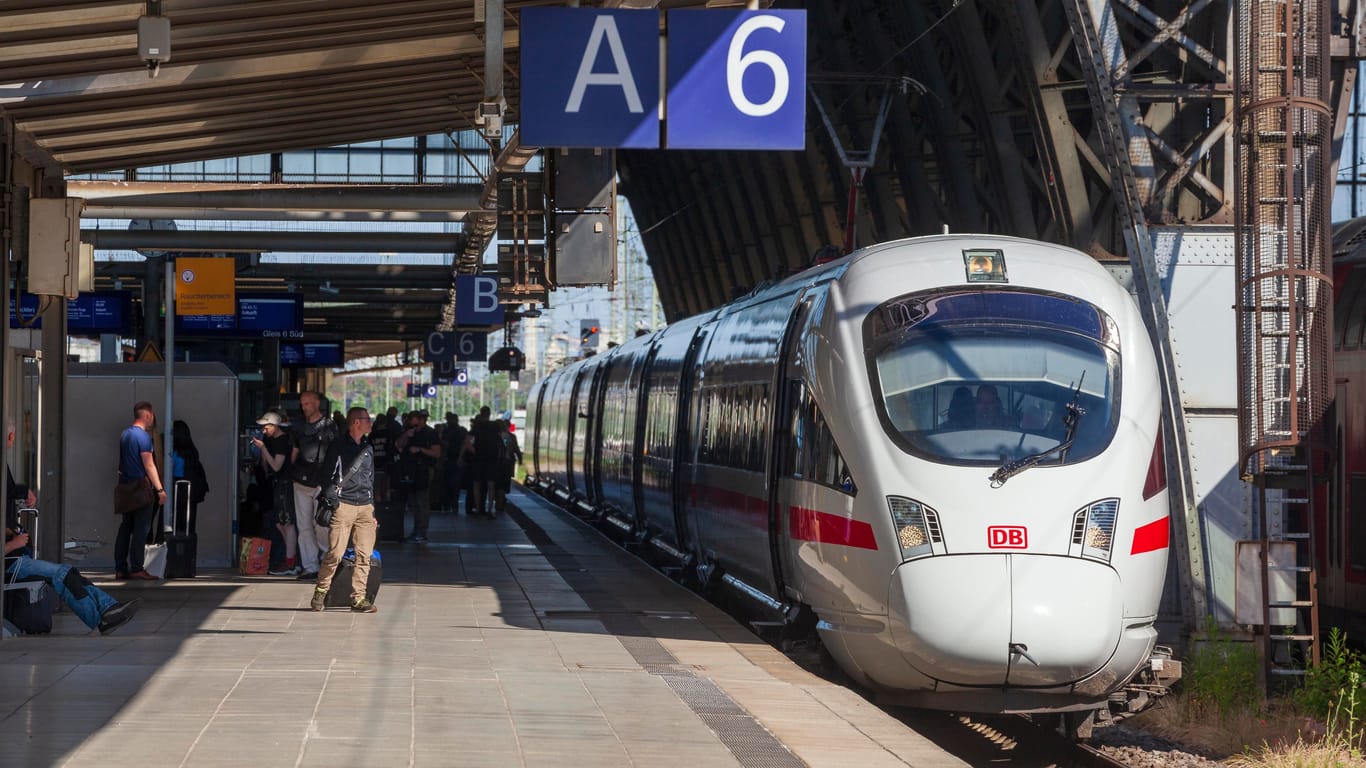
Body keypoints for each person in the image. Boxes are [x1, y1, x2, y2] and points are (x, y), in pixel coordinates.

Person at [5, 529, 140, 635]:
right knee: (62, 574)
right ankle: (101, 619)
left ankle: (108, 608)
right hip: (12, 564)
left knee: (69, 572)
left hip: (17, 560)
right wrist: (13, 544)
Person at [310, 406, 378, 613]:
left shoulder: (368, 448)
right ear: (356, 422)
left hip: (365, 507)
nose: (370, 422)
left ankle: (358, 598)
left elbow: (370, 479)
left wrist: (372, 510)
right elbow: (326, 475)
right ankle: (321, 589)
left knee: (364, 555)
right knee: (336, 553)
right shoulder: (338, 446)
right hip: (344, 506)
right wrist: (334, 501)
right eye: (367, 419)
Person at [114, 401, 167, 580]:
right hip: (140, 489)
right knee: (140, 529)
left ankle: (120, 567)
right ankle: (137, 567)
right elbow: (149, 464)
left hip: (126, 488)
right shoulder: (143, 437)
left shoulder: (125, 434)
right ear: (147, 415)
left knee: (125, 527)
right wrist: (160, 489)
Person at [290, 391, 337, 581]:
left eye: (308, 403)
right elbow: (294, 451)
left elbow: (335, 453)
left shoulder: (330, 426)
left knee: (321, 524)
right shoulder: (298, 426)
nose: (304, 407)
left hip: (321, 481)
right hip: (301, 481)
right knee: (304, 526)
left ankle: (326, 562)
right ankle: (310, 566)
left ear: (317, 403)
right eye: (302, 404)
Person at [252, 410, 299, 576]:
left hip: (286, 483)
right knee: (281, 523)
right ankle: (291, 558)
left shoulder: (281, 441)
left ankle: (291, 561)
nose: (264, 431)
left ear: (275, 426)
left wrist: (263, 449)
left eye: (266, 427)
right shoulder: (274, 440)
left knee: (287, 523)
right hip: (280, 483)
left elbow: (276, 466)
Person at [393, 409, 440, 542]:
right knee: (413, 502)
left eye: (416, 423)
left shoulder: (430, 434)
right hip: (410, 470)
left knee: (422, 501)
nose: (414, 426)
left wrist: (420, 450)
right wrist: (407, 435)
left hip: (424, 470)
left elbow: (437, 453)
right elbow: (398, 445)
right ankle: (416, 530)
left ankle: (421, 531)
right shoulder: (408, 432)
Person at [171, 420, 209, 536]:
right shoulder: (192, 452)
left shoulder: (174, 453)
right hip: (192, 492)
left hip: (177, 489)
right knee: (189, 523)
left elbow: (171, 470)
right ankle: (188, 549)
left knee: (175, 523)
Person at [468, 406, 501, 516]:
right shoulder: (495, 426)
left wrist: (473, 449)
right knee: (491, 484)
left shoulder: (476, 426)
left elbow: (468, 441)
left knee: (476, 484)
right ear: (489, 414)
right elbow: (503, 439)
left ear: (481, 413)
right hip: (491, 459)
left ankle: (478, 508)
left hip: (478, 458)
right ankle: (490, 509)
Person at [440, 413, 469, 514]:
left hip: (448, 459)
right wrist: (461, 458)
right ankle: (454, 505)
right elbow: (466, 444)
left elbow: (444, 444)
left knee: (446, 483)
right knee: (456, 484)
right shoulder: (463, 430)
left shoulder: (446, 431)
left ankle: (447, 504)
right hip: (459, 460)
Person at [493, 420, 522, 513]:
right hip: (506, 463)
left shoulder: (493, 437)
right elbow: (513, 449)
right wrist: (520, 459)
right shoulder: (510, 437)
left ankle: (498, 501)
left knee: (496, 484)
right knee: (503, 485)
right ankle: (500, 504)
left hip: (496, 463)